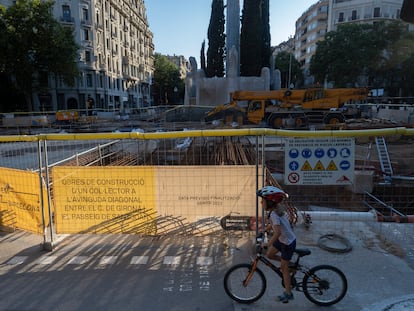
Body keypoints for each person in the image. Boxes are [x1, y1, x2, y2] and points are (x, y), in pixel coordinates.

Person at [257, 185, 296, 303]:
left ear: (270, 202)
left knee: (284, 268)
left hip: (287, 243)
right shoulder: (275, 212)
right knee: (269, 255)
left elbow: (278, 232)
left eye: (262, 201)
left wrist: (267, 243)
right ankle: (291, 264)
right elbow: (276, 225)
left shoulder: (274, 214)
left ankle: (288, 293)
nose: (260, 203)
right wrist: (265, 229)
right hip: (284, 240)